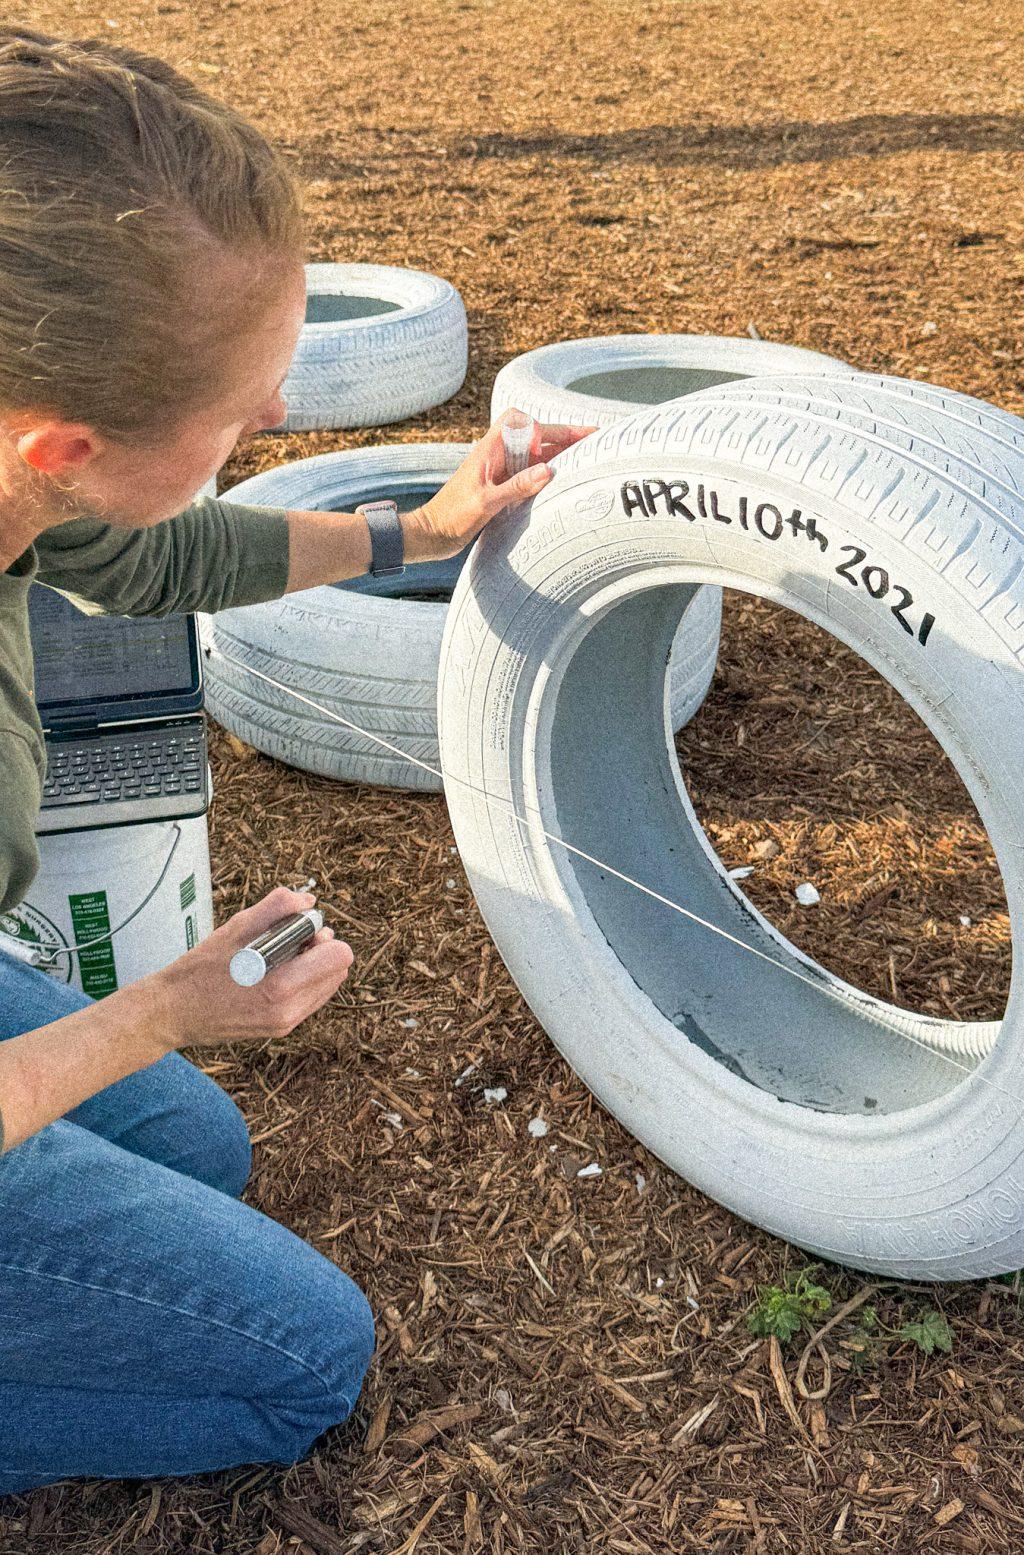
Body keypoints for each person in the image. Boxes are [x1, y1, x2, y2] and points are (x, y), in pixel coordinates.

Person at [0, 27, 589, 1495]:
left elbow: (166, 547)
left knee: (195, 1149)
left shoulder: (23, 473)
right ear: (62, 446)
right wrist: (157, 1011)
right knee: (301, 1367)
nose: (273, 418)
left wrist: (417, 532)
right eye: (241, 404)